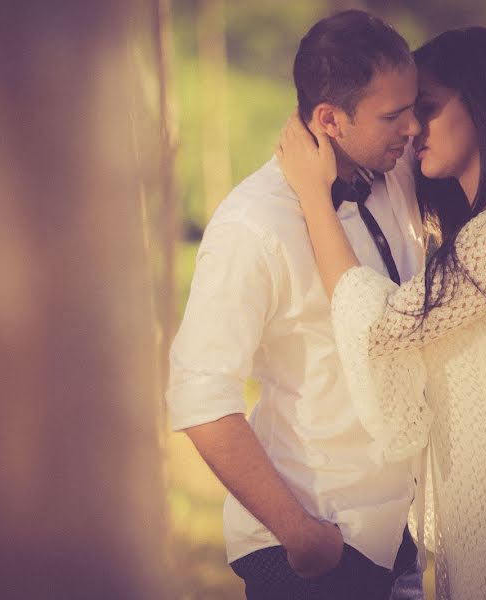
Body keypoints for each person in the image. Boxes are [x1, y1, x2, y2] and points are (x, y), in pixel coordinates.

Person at [276, 26, 486, 599]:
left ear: (482, 106)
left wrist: (314, 198)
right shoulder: (478, 232)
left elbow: (382, 326)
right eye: (403, 116)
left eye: (426, 109)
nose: (412, 131)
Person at [166, 10, 426, 600]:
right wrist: (301, 535)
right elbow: (200, 396)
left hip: (402, 542)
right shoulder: (251, 224)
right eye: (393, 115)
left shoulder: (397, 171)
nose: (413, 128)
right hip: (314, 550)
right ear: (329, 119)